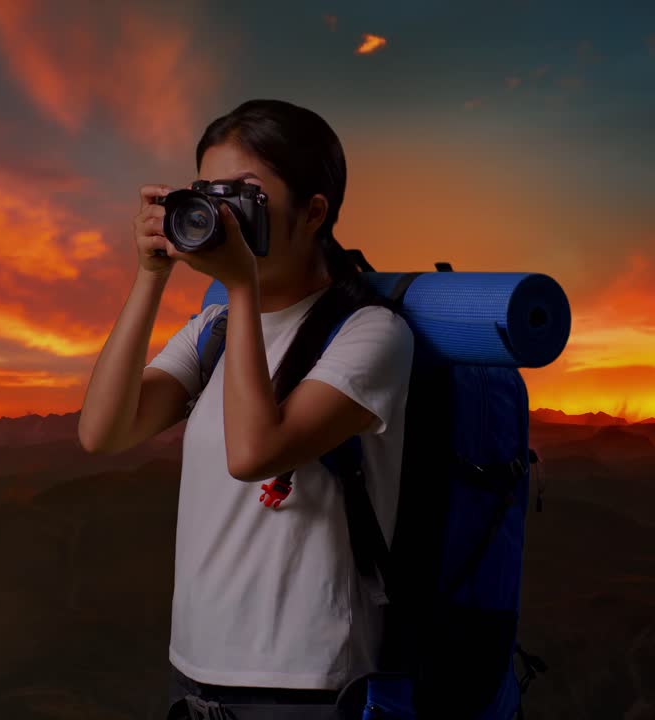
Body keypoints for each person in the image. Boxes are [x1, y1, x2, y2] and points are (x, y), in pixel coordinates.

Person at [77, 99, 415, 716]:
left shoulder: (371, 333)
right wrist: (150, 276)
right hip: (196, 669)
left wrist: (239, 281)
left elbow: (255, 453)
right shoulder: (214, 328)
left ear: (314, 211)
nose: (221, 211)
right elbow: (103, 431)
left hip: (308, 681)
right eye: (209, 192)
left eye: (245, 193)